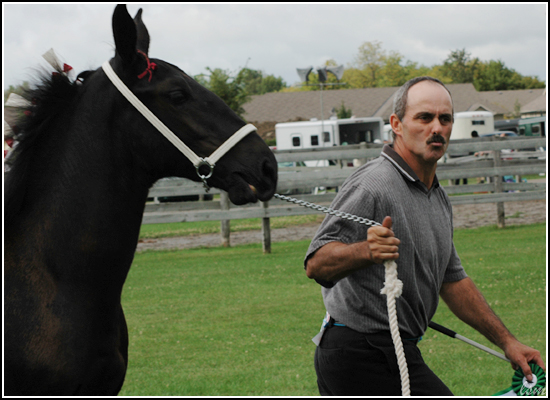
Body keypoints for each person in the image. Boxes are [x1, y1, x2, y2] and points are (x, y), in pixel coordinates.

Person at [304, 76, 545, 396]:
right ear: (397, 125)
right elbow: (316, 264)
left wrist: (508, 342)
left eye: (445, 119)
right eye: (424, 117)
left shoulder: (436, 195)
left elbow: (453, 280)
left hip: (394, 349)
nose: (437, 128)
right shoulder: (374, 183)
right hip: (361, 351)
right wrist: (366, 250)